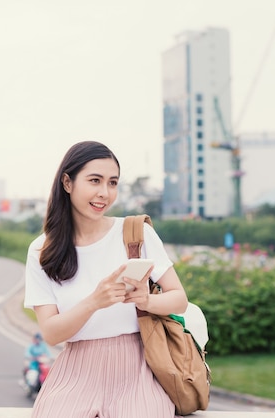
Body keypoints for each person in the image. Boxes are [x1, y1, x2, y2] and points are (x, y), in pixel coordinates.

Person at [24, 141, 189, 417]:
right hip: (76, 371)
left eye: (112, 183)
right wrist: (94, 302)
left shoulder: (136, 233)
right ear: (67, 182)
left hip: (139, 367)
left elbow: (179, 300)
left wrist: (146, 300)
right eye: (94, 181)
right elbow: (51, 333)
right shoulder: (42, 250)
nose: (104, 193)